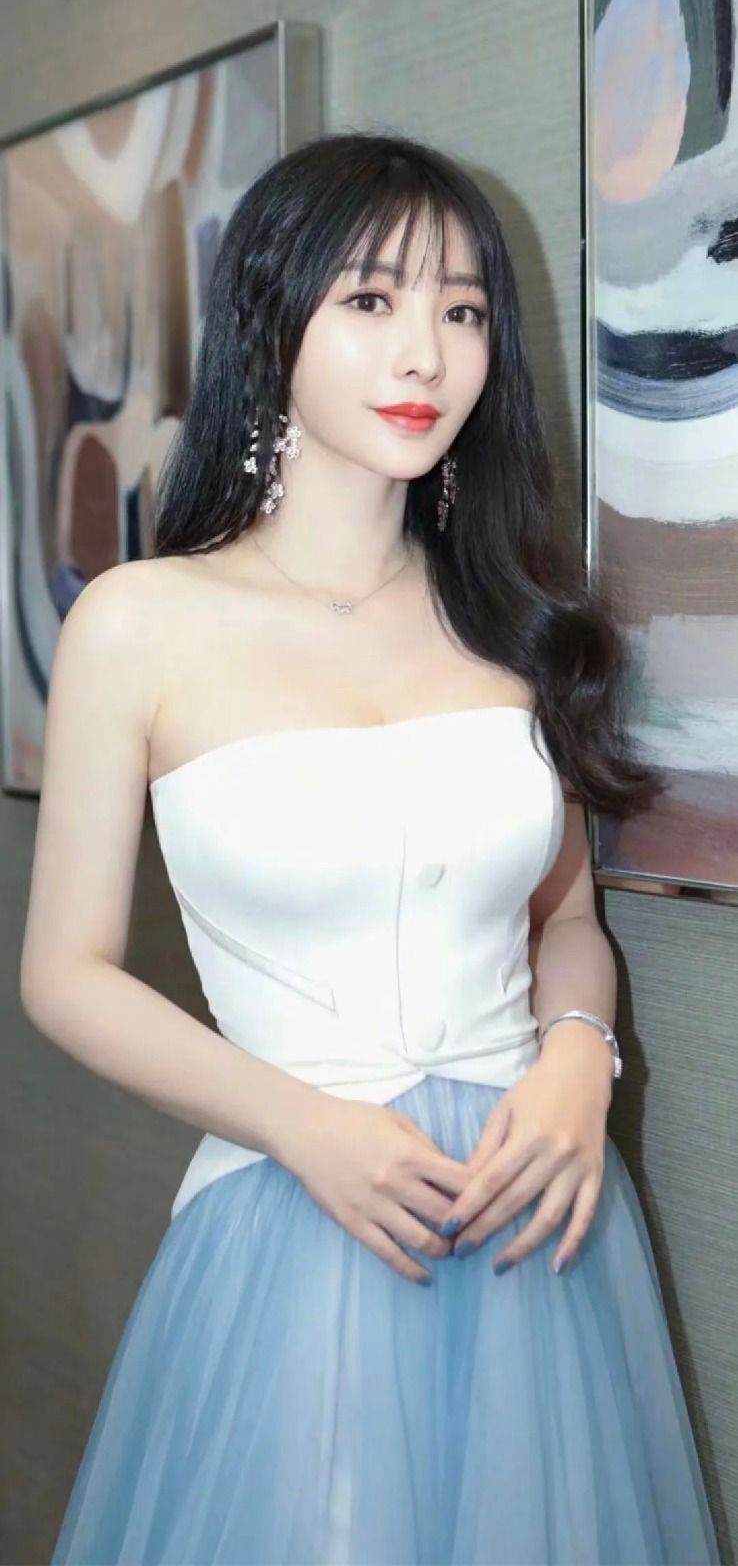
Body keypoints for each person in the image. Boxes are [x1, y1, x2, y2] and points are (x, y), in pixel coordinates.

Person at [21, 129, 719, 1565]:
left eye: (461, 310)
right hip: (295, 1211)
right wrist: (300, 1125)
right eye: (372, 300)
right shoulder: (140, 621)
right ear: (271, 319)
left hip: (535, 1215)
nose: (425, 354)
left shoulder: (514, 617)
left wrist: (578, 1059)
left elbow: (564, 920)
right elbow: (65, 974)